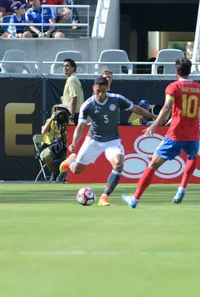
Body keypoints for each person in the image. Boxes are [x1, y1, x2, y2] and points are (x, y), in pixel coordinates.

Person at [122, 57, 200, 208]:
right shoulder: (199, 88)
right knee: (192, 156)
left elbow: (167, 107)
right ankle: (182, 188)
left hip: (175, 134)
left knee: (153, 165)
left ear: (176, 71)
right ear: (189, 71)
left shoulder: (173, 87)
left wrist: (155, 125)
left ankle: (135, 199)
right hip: (193, 135)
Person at [59, 76, 156, 206]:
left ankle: (104, 197)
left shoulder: (116, 99)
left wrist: (155, 116)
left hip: (112, 141)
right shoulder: (87, 105)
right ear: (93, 88)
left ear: (107, 89)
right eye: (98, 91)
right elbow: (80, 126)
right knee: (76, 170)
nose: (101, 94)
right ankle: (71, 160)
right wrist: (74, 143)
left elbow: (135, 108)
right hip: (93, 140)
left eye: (103, 91)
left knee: (119, 164)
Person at [36, 104, 70, 181]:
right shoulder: (50, 121)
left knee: (71, 157)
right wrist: (52, 119)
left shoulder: (69, 122)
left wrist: (66, 127)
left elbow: (73, 136)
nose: (60, 113)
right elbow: (43, 132)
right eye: (58, 110)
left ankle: (62, 175)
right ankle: (55, 173)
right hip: (50, 147)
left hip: (64, 148)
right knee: (47, 156)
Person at [61, 58, 84, 124]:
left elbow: (73, 98)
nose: (65, 68)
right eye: (64, 66)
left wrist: (71, 116)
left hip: (73, 114)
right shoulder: (74, 78)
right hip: (76, 114)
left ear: (73, 68)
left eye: (67, 66)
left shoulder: (71, 80)